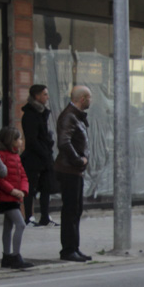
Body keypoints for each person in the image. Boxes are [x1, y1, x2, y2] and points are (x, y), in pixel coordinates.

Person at [55, 86, 93, 262]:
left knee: (76, 210)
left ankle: (74, 247)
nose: (91, 101)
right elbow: (64, 142)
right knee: (70, 210)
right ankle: (68, 249)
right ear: (83, 99)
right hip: (69, 169)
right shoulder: (69, 116)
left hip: (75, 171)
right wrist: (78, 160)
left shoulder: (75, 116)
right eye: (90, 98)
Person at [0, 127, 34, 269]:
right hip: (6, 197)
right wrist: (13, 191)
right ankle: (15, 255)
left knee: (8, 226)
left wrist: (23, 190)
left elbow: (23, 176)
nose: (21, 141)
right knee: (20, 224)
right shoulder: (2, 156)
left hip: (15, 196)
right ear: (10, 141)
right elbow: (0, 179)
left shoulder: (16, 156)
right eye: (18, 139)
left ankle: (6, 256)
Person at [20, 84, 58, 227]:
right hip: (34, 158)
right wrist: (44, 151)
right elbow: (32, 139)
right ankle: (29, 217)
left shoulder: (42, 113)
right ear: (37, 96)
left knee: (46, 187)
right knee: (31, 188)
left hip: (45, 156)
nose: (47, 97)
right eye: (45, 94)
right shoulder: (30, 114)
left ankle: (45, 217)